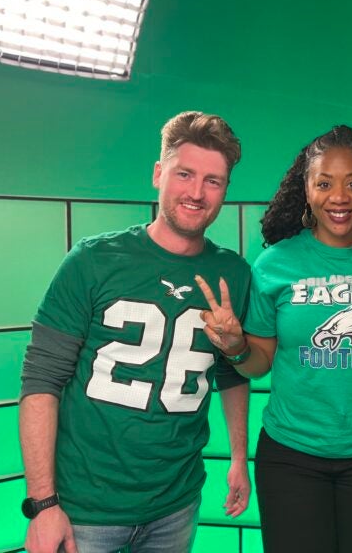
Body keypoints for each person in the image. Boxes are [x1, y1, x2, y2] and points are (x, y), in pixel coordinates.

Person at [195, 125, 352, 553]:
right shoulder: (275, 263)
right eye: (324, 183)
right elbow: (259, 364)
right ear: (305, 189)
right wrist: (234, 346)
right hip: (292, 454)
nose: (339, 197)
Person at [19, 111, 252, 553]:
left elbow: (232, 372)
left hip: (176, 504)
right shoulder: (93, 261)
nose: (197, 193)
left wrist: (238, 458)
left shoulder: (233, 275)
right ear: (158, 173)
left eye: (213, 181)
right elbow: (41, 380)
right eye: (185, 174)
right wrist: (43, 502)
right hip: (85, 508)